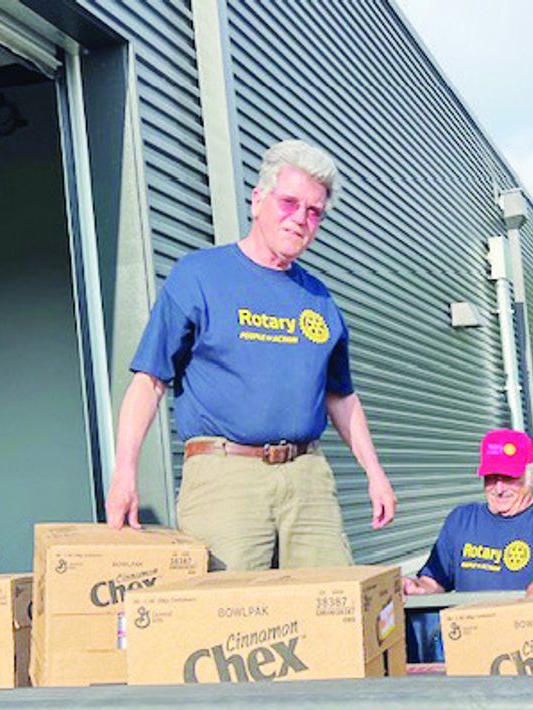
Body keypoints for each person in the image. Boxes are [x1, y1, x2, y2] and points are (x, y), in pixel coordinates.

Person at [106, 139, 396, 570]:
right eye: (289, 203)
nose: (300, 219)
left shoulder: (319, 299)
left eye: (313, 211)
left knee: (332, 607)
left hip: (307, 476)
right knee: (229, 618)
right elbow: (149, 381)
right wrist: (125, 473)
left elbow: (341, 395)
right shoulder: (199, 276)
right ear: (258, 200)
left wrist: (375, 472)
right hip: (226, 475)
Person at [403, 429, 533, 598]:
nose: (498, 488)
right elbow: (434, 581)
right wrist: (415, 587)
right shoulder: (461, 519)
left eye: (508, 477)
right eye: (491, 477)